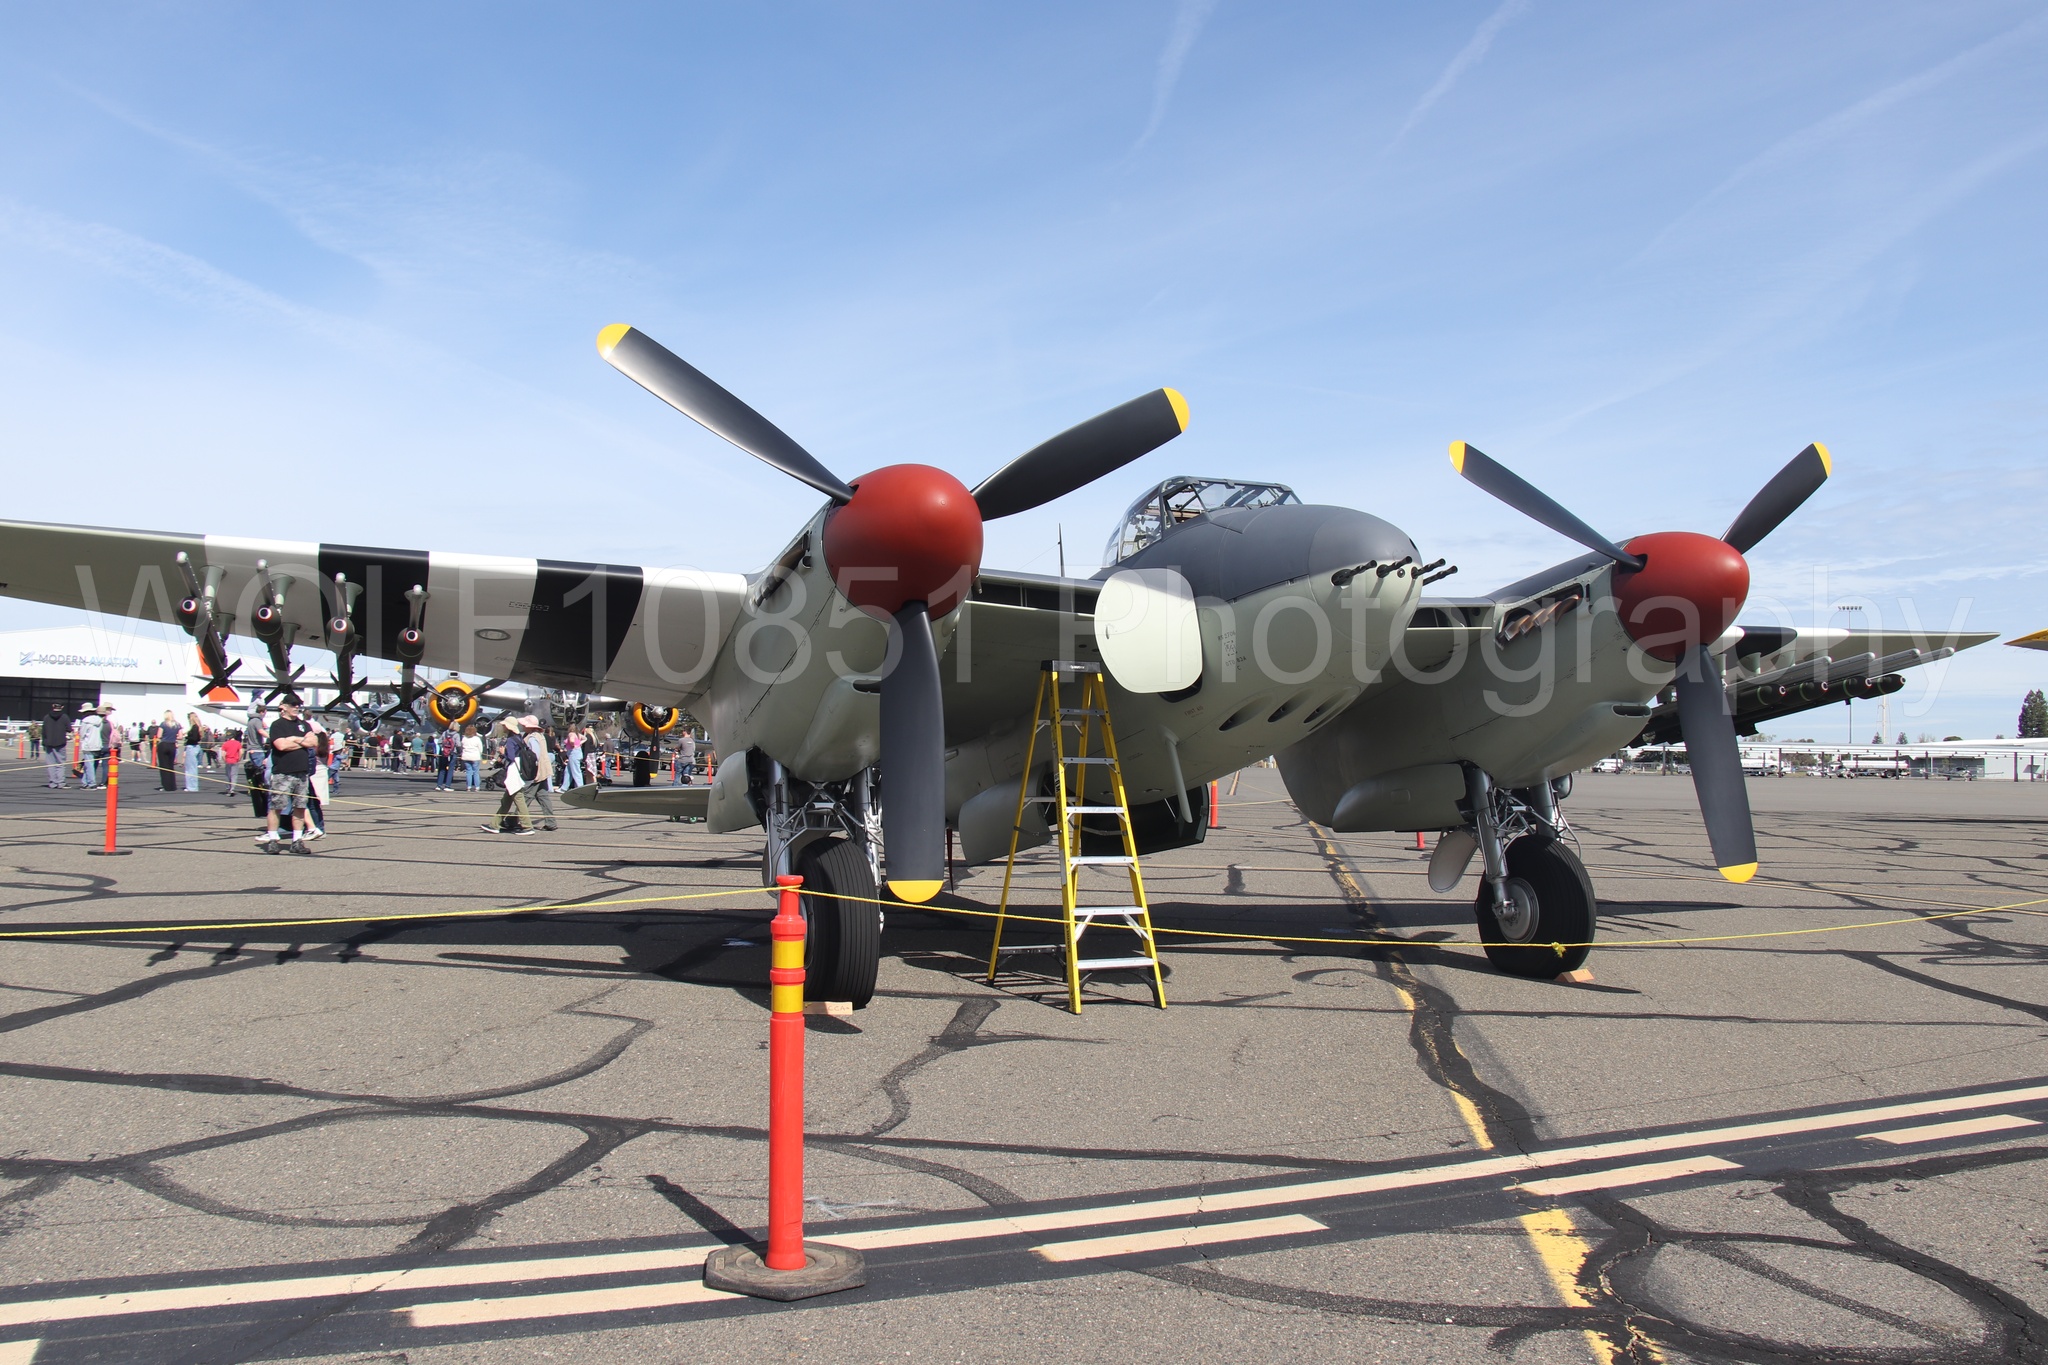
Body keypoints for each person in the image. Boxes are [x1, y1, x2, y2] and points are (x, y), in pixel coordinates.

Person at [257, 697, 318, 853]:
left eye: (298, 705)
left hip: (302, 772)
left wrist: (295, 739)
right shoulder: (277, 725)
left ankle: (297, 840)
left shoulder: (303, 724)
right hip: (283, 772)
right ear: (283, 707)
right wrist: (302, 741)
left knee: (300, 806)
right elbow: (281, 745)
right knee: (276, 806)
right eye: (293, 705)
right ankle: (272, 839)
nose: (296, 707)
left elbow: (314, 742)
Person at [483, 717, 539, 835]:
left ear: (508, 727)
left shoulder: (510, 740)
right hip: (518, 771)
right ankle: (494, 824)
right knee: (507, 800)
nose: (503, 727)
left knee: (518, 799)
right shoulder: (519, 738)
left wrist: (503, 754)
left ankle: (527, 826)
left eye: (504, 725)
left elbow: (511, 758)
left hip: (513, 772)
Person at [520, 715, 560, 830]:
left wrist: (529, 769)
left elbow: (534, 755)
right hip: (543, 770)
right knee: (543, 797)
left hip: (536, 771)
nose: (522, 726)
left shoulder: (532, 738)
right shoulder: (539, 735)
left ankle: (514, 820)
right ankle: (551, 822)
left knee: (526, 797)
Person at [40, 703, 72, 788]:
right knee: (60, 763)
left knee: (51, 764)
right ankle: (61, 782)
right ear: (62, 707)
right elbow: (69, 729)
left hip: (48, 743)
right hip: (60, 743)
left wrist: (44, 742)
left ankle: (52, 782)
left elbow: (43, 731)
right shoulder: (64, 717)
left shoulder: (46, 717)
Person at [75, 706, 107, 788]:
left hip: (88, 745)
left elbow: (82, 734)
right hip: (97, 744)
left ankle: (91, 783)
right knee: (90, 764)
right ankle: (85, 782)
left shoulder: (85, 721)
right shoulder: (99, 720)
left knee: (89, 765)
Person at [154, 710, 179, 791]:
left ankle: (165, 785)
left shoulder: (163, 724)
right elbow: (181, 736)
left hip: (164, 744)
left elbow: (159, 735)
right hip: (172, 745)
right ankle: (172, 786)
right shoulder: (177, 724)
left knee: (164, 766)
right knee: (170, 766)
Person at [182, 712, 204, 792]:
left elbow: (194, 738)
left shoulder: (194, 727)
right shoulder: (198, 727)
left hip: (192, 747)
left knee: (190, 768)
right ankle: (192, 786)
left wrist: (187, 737)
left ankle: (191, 787)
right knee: (193, 768)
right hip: (196, 747)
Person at [460, 724, 483, 790]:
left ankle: (468, 786)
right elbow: (480, 749)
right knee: (476, 772)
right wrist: (479, 754)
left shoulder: (464, 738)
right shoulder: (477, 739)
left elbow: (462, 747)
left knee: (468, 772)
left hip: (466, 757)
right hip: (475, 757)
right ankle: (477, 786)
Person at [221, 731, 244, 798]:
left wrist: (224, 760)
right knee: (234, 775)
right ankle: (232, 789)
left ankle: (228, 789)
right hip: (235, 761)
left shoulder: (225, 743)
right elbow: (241, 752)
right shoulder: (238, 743)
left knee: (228, 775)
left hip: (228, 760)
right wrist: (239, 759)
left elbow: (223, 754)